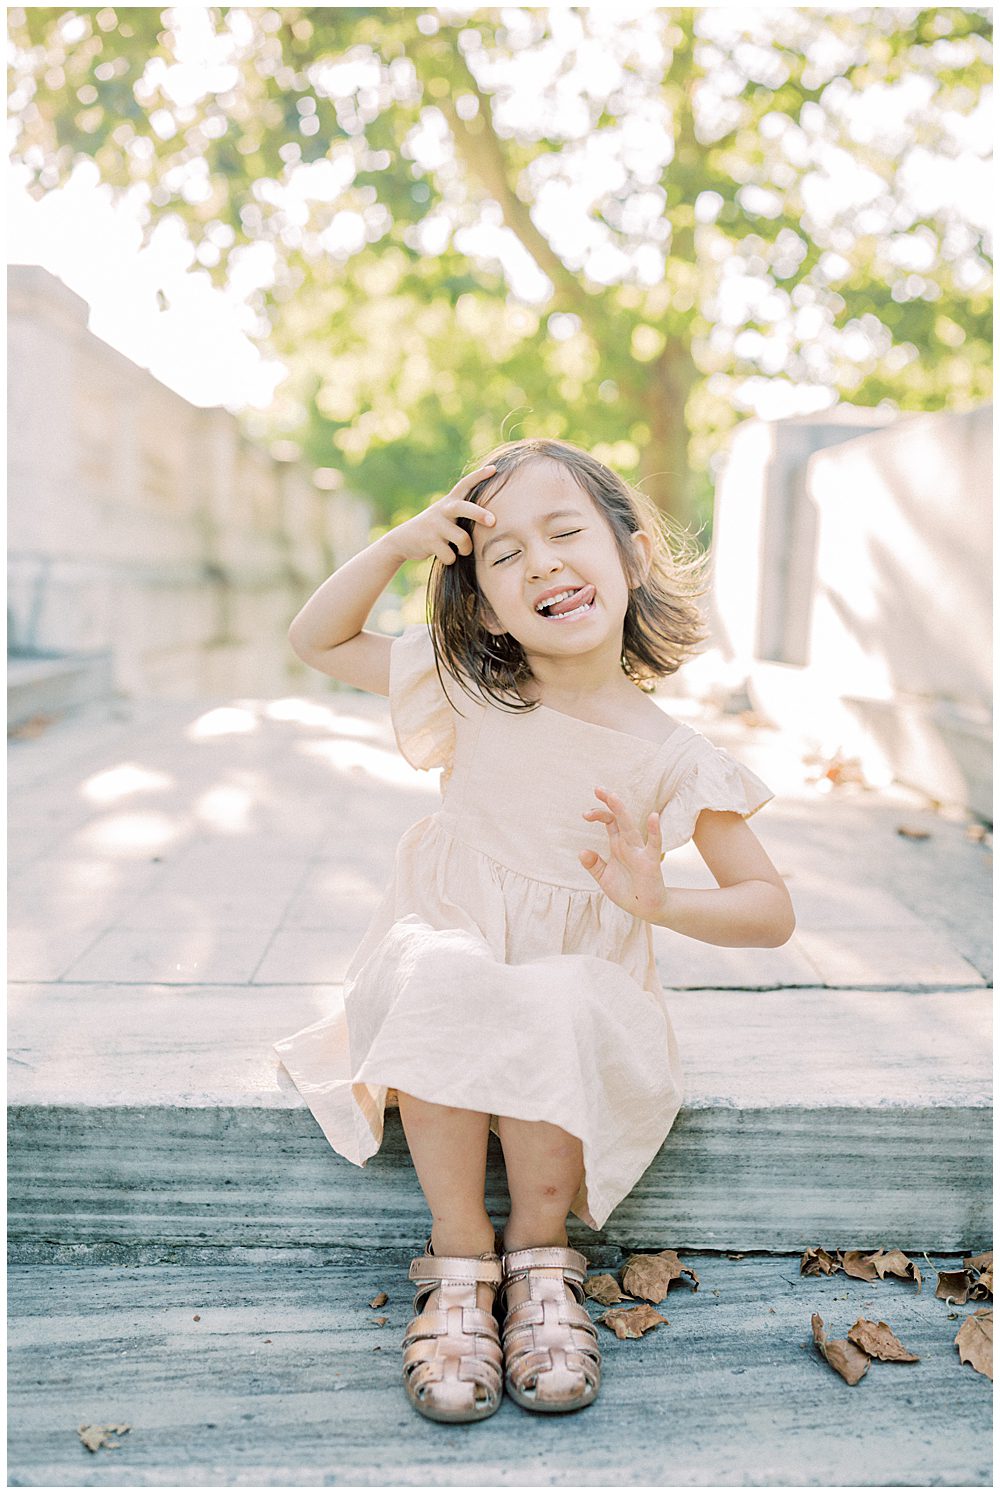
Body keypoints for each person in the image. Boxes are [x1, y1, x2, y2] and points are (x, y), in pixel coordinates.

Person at [274, 437, 794, 1424]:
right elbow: (317, 637)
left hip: (580, 985)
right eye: (502, 556)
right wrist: (397, 546)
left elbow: (769, 910)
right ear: (482, 603)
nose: (542, 562)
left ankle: (542, 1263)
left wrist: (661, 903)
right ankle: (462, 1259)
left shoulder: (677, 758)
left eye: (564, 533)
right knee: (444, 972)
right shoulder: (472, 689)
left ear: (631, 556)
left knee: (555, 994)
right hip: (446, 942)